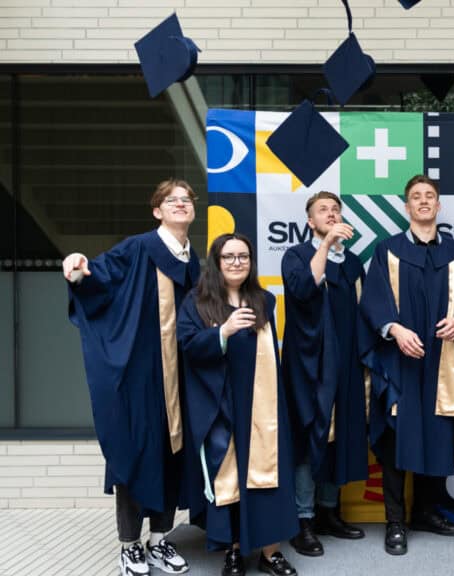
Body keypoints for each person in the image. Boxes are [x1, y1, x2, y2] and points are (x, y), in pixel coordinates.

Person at [64, 178, 201, 576]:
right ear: (157, 210)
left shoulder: (192, 259)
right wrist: (76, 267)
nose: (180, 204)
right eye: (170, 200)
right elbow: (98, 274)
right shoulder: (140, 247)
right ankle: (130, 545)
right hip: (142, 374)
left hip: (180, 378)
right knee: (137, 453)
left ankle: (159, 540)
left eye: (186, 200)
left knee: (172, 454)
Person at [359, 175, 454, 555]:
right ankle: (395, 521)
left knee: (437, 434)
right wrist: (394, 329)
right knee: (397, 437)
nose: (423, 202)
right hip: (400, 362)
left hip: (444, 361)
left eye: (430, 196)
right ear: (407, 207)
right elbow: (373, 302)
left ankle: (426, 511)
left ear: (438, 206)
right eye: (416, 197)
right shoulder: (387, 251)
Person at [177, 234, 299, 576]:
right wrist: (223, 332)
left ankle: (270, 552)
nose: (236, 262)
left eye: (243, 256)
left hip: (262, 403)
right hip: (221, 402)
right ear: (216, 262)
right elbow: (187, 346)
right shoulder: (198, 302)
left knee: (268, 476)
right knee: (229, 478)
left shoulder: (264, 301)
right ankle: (233, 550)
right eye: (228, 257)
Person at [281, 192, 366, 557]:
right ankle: (303, 520)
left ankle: (330, 512)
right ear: (310, 222)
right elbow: (302, 289)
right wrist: (327, 243)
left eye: (335, 210)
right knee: (309, 436)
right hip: (308, 363)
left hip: (346, 361)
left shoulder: (352, 263)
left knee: (340, 435)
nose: (331, 214)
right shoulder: (298, 255)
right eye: (323, 211)